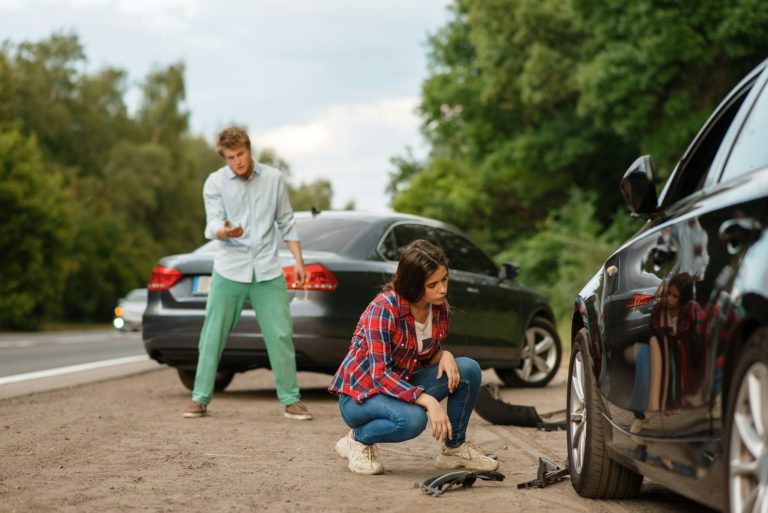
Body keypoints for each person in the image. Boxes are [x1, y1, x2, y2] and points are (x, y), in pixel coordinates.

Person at [328, 239, 498, 475]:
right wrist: (427, 400)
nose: (443, 289)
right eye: (433, 284)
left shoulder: (439, 308)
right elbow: (380, 375)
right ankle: (356, 440)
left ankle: (454, 449)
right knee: (413, 420)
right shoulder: (384, 309)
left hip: (401, 384)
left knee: (467, 369)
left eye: (444, 279)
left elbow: (422, 355)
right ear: (414, 285)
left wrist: (444, 355)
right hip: (361, 395)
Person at [183, 126, 312, 421]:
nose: (237, 161)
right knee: (212, 335)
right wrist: (225, 231)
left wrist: (299, 262)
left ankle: (291, 399)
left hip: (267, 269)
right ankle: (200, 398)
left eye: (240, 153)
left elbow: (286, 222)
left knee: (280, 335)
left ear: (249, 149)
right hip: (230, 269)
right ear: (224, 157)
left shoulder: (274, 179)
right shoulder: (214, 183)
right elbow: (212, 223)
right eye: (230, 157)